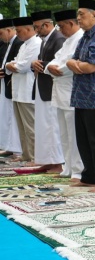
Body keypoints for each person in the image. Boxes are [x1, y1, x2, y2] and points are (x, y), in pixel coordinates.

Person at [67, 0, 95, 191]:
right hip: (80, 95)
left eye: (81, 14)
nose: (78, 18)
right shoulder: (85, 36)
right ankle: (89, 175)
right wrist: (77, 65)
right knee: (83, 139)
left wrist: (77, 65)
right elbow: (72, 61)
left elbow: (91, 66)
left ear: (94, 14)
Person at [44, 10, 84, 180]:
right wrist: (50, 68)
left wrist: (55, 69)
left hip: (71, 91)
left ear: (71, 23)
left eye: (61, 26)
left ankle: (77, 170)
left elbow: (70, 66)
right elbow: (55, 60)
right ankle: (68, 167)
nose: (60, 30)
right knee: (64, 134)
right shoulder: (68, 41)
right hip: (60, 93)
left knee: (74, 134)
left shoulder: (80, 39)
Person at [30, 10, 66, 173]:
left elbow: (60, 63)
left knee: (52, 126)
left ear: (47, 24)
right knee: (44, 126)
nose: (36, 31)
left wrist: (42, 64)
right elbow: (42, 62)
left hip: (52, 87)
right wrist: (35, 64)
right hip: (42, 86)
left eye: (38, 27)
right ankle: (48, 160)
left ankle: (57, 162)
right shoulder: (45, 40)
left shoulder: (58, 39)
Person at [5, 17, 41, 165]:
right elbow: (12, 64)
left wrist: (12, 65)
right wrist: (12, 65)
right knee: (21, 127)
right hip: (17, 90)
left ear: (28, 29)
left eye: (19, 31)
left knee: (30, 126)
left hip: (27, 90)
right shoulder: (24, 45)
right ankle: (26, 154)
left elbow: (22, 66)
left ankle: (34, 156)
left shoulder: (36, 43)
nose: (18, 34)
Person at [0, 19, 23, 158]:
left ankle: (15, 148)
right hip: (7, 85)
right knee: (6, 115)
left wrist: (5, 68)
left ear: (9, 30)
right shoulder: (9, 43)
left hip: (14, 85)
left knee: (12, 117)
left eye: (1, 33)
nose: (1, 37)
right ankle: (9, 145)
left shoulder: (18, 43)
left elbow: (17, 65)